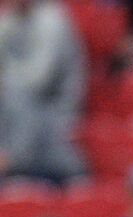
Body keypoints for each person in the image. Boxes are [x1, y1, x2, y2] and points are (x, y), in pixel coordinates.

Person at [0, 0, 85, 183]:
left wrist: (10, 157)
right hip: (20, 120)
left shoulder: (52, 20)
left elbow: (39, 80)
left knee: (16, 95)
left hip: (55, 117)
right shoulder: (9, 18)